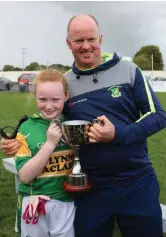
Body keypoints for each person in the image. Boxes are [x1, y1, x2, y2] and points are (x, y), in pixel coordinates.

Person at [1, 14, 166, 237]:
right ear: (69, 44)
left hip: (136, 182)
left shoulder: (129, 70)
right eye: (78, 41)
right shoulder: (65, 83)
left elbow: (158, 115)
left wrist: (118, 133)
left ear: (101, 39)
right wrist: (17, 141)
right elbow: (48, 115)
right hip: (88, 187)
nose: (86, 46)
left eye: (91, 39)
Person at [7, 70, 75, 237]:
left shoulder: (73, 124)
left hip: (66, 202)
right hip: (34, 202)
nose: (49, 106)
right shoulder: (26, 128)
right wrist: (50, 144)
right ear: (35, 96)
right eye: (42, 99)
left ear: (66, 96)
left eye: (55, 99)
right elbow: (24, 176)